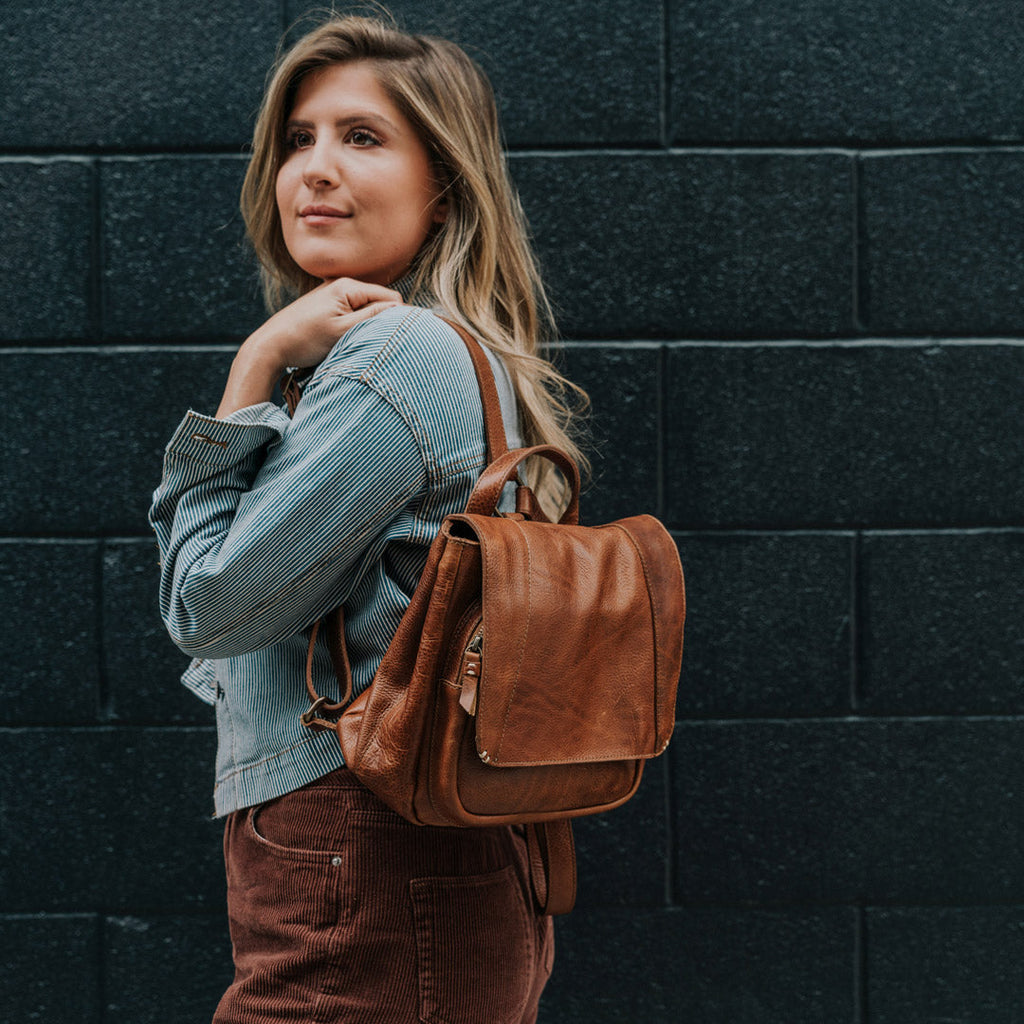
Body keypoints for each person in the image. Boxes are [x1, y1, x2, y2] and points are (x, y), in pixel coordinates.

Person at [148, 12, 588, 1024]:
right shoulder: (453, 355)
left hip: (361, 854)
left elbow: (210, 608)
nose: (314, 168)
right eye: (298, 138)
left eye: (362, 137)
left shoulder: (399, 361)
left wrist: (250, 369)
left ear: (443, 187)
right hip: (425, 859)